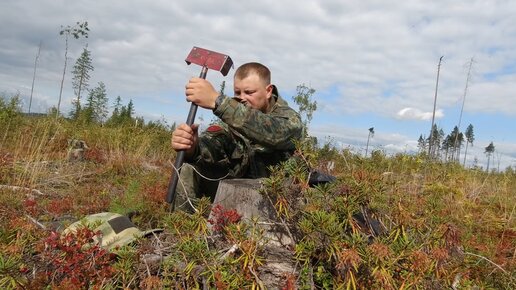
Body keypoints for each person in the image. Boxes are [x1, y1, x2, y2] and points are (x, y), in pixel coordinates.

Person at [171, 62, 303, 212]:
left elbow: (271, 132)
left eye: (249, 92)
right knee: (189, 167)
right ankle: (184, 230)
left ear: (268, 91)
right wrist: (194, 147)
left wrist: (218, 101)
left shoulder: (289, 119)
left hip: (278, 204)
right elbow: (217, 140)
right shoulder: (235, 118)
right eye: (237, 93)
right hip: (238, 198)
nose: (242, 98)